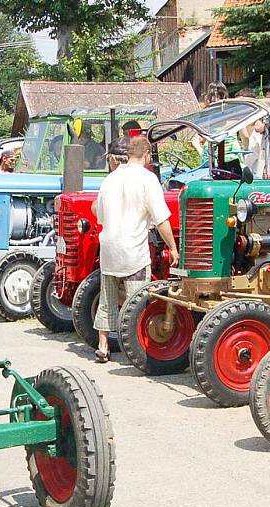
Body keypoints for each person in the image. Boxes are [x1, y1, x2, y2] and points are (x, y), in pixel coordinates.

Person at [91, 136, 179, 363]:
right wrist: (173, 247)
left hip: (109, 248)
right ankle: (136, 348)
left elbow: (97, 212)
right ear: (148, 155)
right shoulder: (147, 179)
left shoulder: (110, 179)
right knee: (137, 301)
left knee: (107, 299)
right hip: (133, 250)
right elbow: (161, 218)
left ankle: (103, 345)